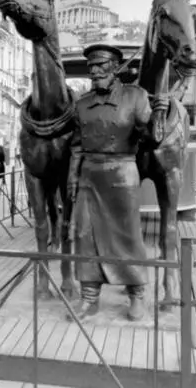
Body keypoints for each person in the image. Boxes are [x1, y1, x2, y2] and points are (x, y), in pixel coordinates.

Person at [67, 44, 167, 322]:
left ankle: (137, 293)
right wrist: (73, 179)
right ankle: (89, 298)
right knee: (86, 236)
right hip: (89, 175)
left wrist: (158, 116)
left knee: (127, 235)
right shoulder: (82, 104)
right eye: (91, 67)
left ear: (116, 68)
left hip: (122, 173)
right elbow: (76, 147)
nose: (95, 71)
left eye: (101, 65)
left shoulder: (135, 97)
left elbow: (150, 140)